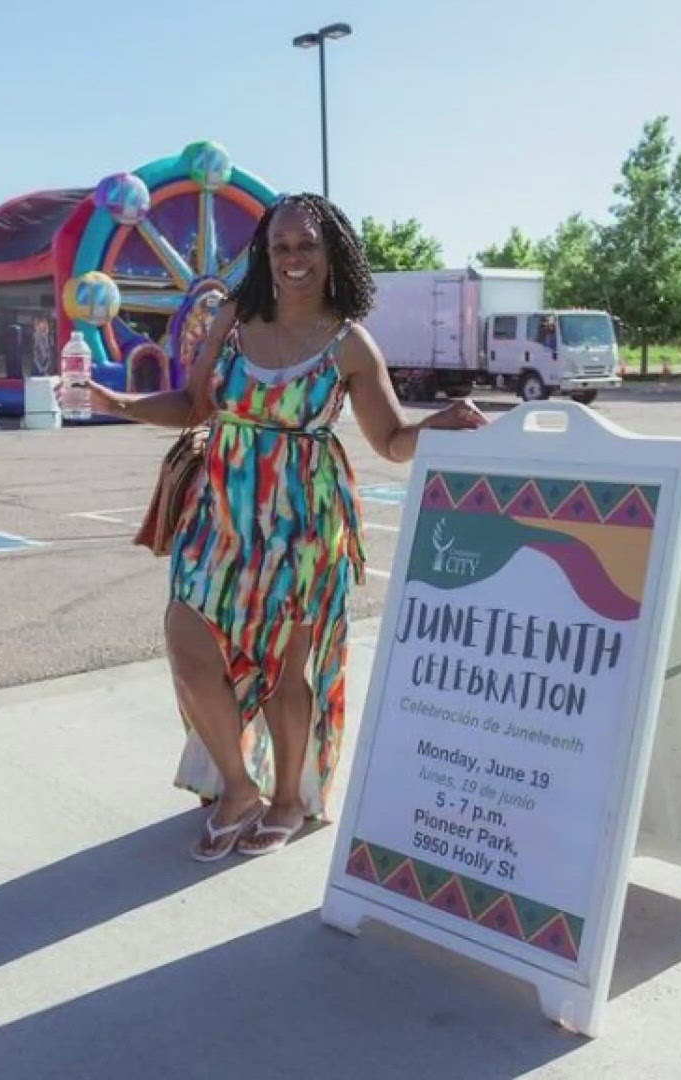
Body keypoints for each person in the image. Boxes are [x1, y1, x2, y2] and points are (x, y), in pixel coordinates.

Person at [88, 193, 487, 860]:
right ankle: (238, 789)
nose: (294, 258)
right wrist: (118, 402)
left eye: (308, 245)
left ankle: (289, 800)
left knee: (283, 670)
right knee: (189, 646)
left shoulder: (349, 343)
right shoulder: (232, 322)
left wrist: (438, 425)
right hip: (218, 515)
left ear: (332, 254)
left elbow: (389, 440)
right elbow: (193, 405)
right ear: (265, 256)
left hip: (304, 525)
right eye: (281, 246)